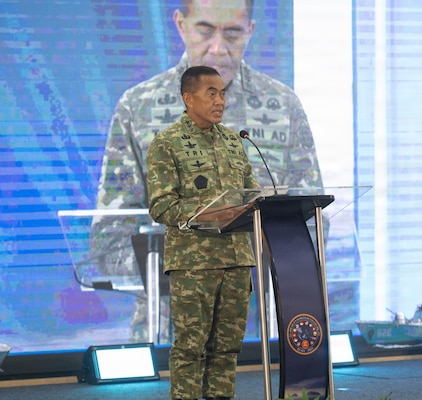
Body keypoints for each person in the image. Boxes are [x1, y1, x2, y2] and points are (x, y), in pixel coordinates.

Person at [92, 0, 323, 343]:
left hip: (264, 333)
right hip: (167, 332)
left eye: (232, 33)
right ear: (180, 25)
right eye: (204, 30)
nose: (217, 48)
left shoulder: (283, 106)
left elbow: (314, 223)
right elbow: (107, 240)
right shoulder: (138, 107)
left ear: (250, 31)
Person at [147, 65, 258, 400]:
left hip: (236, 259)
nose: (220, 101)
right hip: (194, 265)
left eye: (222, 93)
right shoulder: (167, 143)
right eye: (211, 93)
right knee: (190, 348)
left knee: (227, 348)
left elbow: (251, 193)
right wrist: (208, 213)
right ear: (188, 98)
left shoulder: (234, 141)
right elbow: (161, 206)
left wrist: (258, 202)